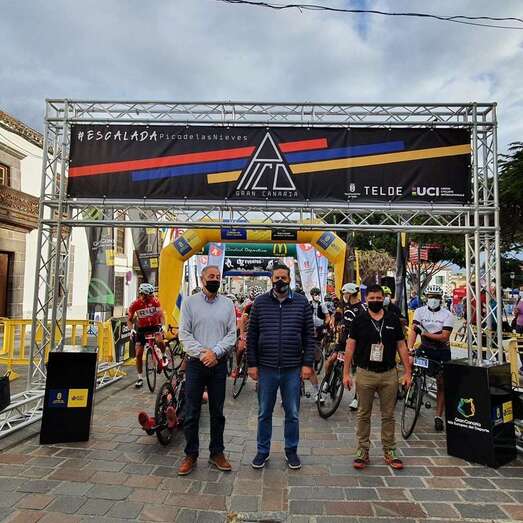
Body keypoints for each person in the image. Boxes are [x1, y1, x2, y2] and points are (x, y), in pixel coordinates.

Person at [247, 263, 315, 470]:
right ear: (271, 279)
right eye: (276, 278)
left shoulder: (302, 303)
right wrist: (252, 364)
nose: (280, 281)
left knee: (292, 413)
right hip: (266, 367)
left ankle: (291, 450)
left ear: (289, 279)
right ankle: (262, 451)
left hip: (292, 368)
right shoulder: (260, 303)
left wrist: (307, 364)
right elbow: (252, 336)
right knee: (264, 413)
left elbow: (309, 336)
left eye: (283, 278)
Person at [343, 284, 412, 470]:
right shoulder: (359, 320)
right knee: (363, 414)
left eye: (378, 298)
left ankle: (390, 450)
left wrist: (407, 372)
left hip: (389, 374)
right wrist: (346, 373)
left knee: (388, 415)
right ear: (366, 299)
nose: (375, 301)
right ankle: (362, 450)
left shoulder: (392, 319)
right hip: (365, 373)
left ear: (383, 299)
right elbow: (350, 346)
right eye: (372, 298)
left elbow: (401, 346)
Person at [177, 265, 237, 476]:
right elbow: (184, 334)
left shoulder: (227, 304)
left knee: (217, 412)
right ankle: (191, 454)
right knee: (191, 411)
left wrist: (216, 353)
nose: (215, 279)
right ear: (202, 279)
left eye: (218, 276)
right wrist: (204, 353)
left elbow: (232, 334)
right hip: (196, 364)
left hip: (218, 364)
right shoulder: (189, 303)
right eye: (211, 276)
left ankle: (217, 453)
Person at [407, 284, 455, 432]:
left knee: (442, 383)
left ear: (441, 299)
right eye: (430, 297)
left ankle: (438, 416)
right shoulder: (419, 311)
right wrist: (409, 348)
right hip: (425, 349)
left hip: (441, 351)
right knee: (411, 362)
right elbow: (414, 331)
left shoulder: (447, 314)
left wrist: (425, 334)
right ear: (426, 298)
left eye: (436, 297)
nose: (433, 299)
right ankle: (413, 387)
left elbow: (444, 337)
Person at [325, 282, 366, 411]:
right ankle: (326, 381)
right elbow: (339, 317)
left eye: (345, 293)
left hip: (356, 343)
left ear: (350, 294)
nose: (344, 295)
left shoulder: (362, 309)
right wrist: (338, 324)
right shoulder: (344, 305)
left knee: (358, 371)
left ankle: (356, 398)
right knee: (331, 359)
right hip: (343, 340)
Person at [127, 283, 166, 388]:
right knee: (139, 354)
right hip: (142, 329)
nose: (152, 296)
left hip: (154, 326)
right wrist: (131, 330)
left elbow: (161, 315)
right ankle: (140, 378)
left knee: (159, 341)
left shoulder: (155, 301)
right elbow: (129, 320)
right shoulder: (135, 304)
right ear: (143, 295)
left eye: (152, 294)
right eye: (150, 295)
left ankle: (163, 354)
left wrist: (163, 326)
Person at [232, 285, 264, 379]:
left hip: (260, 332)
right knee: (241, 348)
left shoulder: (266, 307)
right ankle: (237, 368)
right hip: (248, 331)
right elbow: (242, 321)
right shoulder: (248, 307)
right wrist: (242, 334)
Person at [309, 287, 330, 401]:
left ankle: (317, 361)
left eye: (318, 294)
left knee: (317, 354)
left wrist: (324, 325)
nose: (316, 296)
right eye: (314, 294)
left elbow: (328, 317)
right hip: (308, 330)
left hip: (319, 329)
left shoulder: (322, 305)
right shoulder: (308, 304)